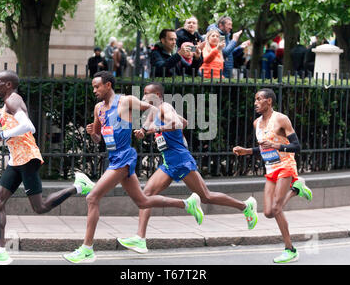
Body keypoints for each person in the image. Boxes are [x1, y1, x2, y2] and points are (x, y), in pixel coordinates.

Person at [63, 71, 204, 264]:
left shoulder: (125, 101)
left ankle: (87, 249)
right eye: (93, 87)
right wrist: (92, 134)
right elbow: (98, 138)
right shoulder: (98, 109)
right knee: (143, 202)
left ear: (108, 85)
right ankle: (187, 204)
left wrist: (148, 128)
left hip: (125, 157)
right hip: (114, 158)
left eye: (97, 86)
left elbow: (155, 109)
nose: (94, 90)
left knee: (92, 197)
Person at [116, 82, 258, 254]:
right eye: (144, 93)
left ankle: (245, 206)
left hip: (181, 161)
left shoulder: (165, 107)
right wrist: (143, 131)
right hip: (169, 163)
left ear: (158, 96)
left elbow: (179, 123)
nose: (144, 97)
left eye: (148, 94)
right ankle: (140, 239)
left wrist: (157, 129)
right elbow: (183, 120)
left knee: (206, 197)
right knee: (146, 195)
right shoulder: (154, 111)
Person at [0, 70, 95, 265]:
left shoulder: (12, 100)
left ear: (8, 85)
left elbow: (29, 126)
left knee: (40, 207)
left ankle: (79, 186)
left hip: (27, 158)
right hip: (17, 160)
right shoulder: (10, 101)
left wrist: (2, 135)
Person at [233, 88, 312, 264]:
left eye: (259, 99)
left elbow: (297, 146)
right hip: (270, 169)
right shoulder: (256, 124)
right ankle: (296, 190)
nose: (255, 103)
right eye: (255, 99)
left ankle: (290, 249)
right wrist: (246, 151)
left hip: (285, 165)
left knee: (276, 209)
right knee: (268, 212)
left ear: (269, 101)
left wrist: (277, 146)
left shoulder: (281, 119)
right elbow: (263, 148)